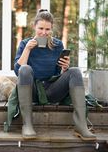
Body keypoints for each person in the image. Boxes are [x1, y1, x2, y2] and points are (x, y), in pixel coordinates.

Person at [13, 9, 96, 141]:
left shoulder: (58, 45)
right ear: (34, 27)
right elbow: (18, 71)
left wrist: (64, 68)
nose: (44, 33)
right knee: (25, 69)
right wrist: (28, 49)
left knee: (74, 71)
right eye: (41, 28)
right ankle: (27, 125)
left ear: (51, 29)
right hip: (33, 91)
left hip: (52, 91)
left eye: (47, 29)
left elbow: (58, 73)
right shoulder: (25, 44)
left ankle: (81, 125)